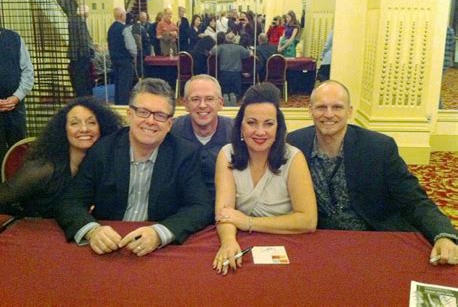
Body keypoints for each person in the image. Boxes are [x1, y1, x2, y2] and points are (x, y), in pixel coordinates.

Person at [286, 80, 458, 266]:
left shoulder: (378, 148)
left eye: (337, 107)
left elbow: (414, 200)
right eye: (321, 107)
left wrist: (443, 235)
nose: (329, 114)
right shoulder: (295, 143)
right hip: (319, 241)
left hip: (371, 238)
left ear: (349, 111)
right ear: (310, 110)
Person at [55, 78, 213, 256]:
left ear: (169, 124)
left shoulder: (185, 154)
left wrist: (159, 233)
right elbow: (70, 202)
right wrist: (92, 231)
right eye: (143, 112)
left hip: (156, 251)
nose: (151, 121)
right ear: (129, 114)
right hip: (108, 247)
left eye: (160, 115)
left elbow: (201, 207)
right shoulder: (103, 149)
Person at [213, 83, 317, 274]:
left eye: (268, 124)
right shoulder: (227, 154)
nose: (260, 132)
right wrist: (228, 242)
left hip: (287, 244)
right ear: (241, 126)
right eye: (252, 122)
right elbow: (224, 212)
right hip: (240, 241)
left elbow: (308, 220)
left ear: (278, 128)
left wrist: (248, 222)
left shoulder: (294, 157)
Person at [0, 97, 123, 217]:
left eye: (91, 122)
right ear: (63, 130)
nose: (84, 129)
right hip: (31, 234)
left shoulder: (105, 166)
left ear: (102, 128)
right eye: (75, 123)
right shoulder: (43, 169)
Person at [0, 0, 34, 187]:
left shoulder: (14, 38)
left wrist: (16, 97)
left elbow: (28, 72)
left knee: (20, 151)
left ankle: (22, 192)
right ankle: (1, 199)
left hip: (16, 107)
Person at [171, 75, 233, 195]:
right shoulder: (171, 131)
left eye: (209, 99)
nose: (202, 105)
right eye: (195, 99)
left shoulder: (236, 133)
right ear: (185, 103)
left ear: (220, 103)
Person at [210, 32, 251, 99]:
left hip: (224, 73)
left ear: (226, 39)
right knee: (236, 94)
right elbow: (248, 54)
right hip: (236, 74)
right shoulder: (240, 48)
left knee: (224, 93)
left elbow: (212, 52)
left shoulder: (221, 47)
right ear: (234, 39)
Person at [107, 7, 135, 105]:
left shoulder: (110, 28)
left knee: (118, 83)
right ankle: (124, 105)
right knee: (125, 84)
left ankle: (118, 104)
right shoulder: (125, 29)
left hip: (114, 59)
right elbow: (131, 46)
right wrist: (134, 55)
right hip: (125, 59)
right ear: (122, 16)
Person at [67, 4, 95, 97]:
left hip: (74, 55)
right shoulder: (81, 22)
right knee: (83, 80)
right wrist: (91, 52)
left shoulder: (72, 21)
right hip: (82, 55)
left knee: (77, 80)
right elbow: (83, 40)